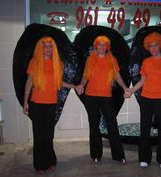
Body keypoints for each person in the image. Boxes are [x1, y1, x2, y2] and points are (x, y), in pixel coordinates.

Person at [23, 36, 77, 174]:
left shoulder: (57, 63)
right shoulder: (34, 63)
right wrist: (25, 102)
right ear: (40, 48)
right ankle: (39, 164)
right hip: (36, 104)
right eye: (45, 46)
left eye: (50, 46)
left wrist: (74, 86)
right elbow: (29, 83)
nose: (48, 49)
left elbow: (59, 84)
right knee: (38, 135)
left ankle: (51, 161)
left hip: (51, 104)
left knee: (48, 135)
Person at [125, 32, 161, 169]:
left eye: (155, 46)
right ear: (148, 47)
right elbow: (142, 81)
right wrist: (131, 90)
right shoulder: (146, 62)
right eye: (151, 46)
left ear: (160, 46)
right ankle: (144, 158)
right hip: (146, 99)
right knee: (144, 129)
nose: (153, 49)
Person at [76, 35, 128, 164]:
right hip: (91, 97)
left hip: (106, 97)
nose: (101, 47)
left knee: (112, 125)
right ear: (96, 46)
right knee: (94, 126)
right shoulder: (90, 59)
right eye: (99, 45)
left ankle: (118, 155)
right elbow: (85, 76)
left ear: (107, 47)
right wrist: (81, 85)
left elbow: (118, 77)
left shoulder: (112, 59)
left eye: (104, 45)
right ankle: (96, 154)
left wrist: (126, 88)